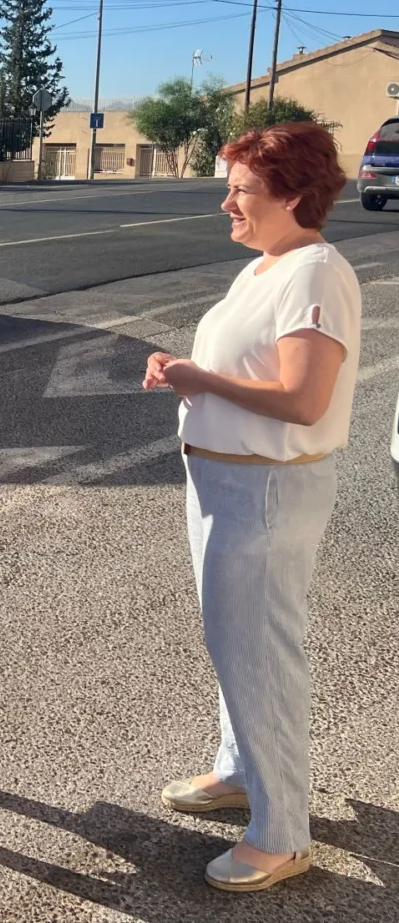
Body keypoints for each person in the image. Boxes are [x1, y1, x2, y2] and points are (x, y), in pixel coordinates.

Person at [143, 122, 361, 892]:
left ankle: (281, 832)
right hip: (227, 486)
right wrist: (187, 369)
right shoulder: (270, 266)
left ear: (293, 196)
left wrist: (199, 381)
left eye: (240, 189)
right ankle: (242, 771)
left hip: (264, 492)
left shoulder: (314, 273)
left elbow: (304, 399)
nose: (225, 202)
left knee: (262, 656)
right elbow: (251, 366)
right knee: (237, 645)